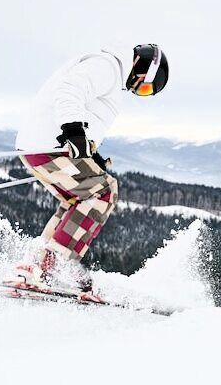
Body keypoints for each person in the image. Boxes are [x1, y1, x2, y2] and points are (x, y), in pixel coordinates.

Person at [14, 43, 169, 292]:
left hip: (40, 145)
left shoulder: (110, 72)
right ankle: (50, 269)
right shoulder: (107, 66)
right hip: (49, 145)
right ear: (142, 68)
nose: (139, 91)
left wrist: (89, 153)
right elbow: (70, 90)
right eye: (145, 87)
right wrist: (73, 132)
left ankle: (36, 265)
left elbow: (87, 114)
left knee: (78, 200)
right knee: (103, 192)